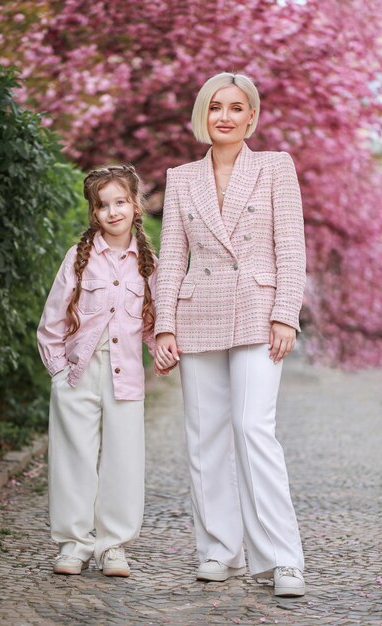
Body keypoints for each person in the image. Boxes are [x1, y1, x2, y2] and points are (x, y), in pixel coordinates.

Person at [154, 73, 306, 597]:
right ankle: (220, 550)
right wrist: (164, 324)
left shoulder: (275, 168)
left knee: (252, 428)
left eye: (235, 107)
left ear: (251, 117)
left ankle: (284, 559)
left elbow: (290, 247)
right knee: (205, 436)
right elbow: (172, 256)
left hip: (259, 309)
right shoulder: (180, 177)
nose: (224, 115)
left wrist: (286, 313)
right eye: (215, 106)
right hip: (198, 312)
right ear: (203, 115)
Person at [37, 165, 176, 576]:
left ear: (136, 206)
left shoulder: (151, 264)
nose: (113, 212)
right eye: (103, 206)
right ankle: (73, 544)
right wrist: (60, 373)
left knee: (124, 460)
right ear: (93, 213)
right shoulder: (78, 261)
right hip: (78, 375)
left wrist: (162, 349)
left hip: (125, 377)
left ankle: (113, 545)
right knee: (72, 459)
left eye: (120, 202)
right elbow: (52, 323)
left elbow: (155, 322)